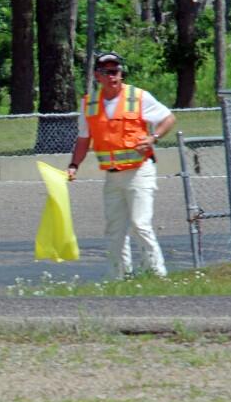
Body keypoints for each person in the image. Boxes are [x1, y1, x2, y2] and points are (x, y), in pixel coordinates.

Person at [67, 52, 176, 280]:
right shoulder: (89, 104)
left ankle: (156, 274)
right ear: (97, 75)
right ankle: (118, 276)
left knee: (140, 224)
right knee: (115, 229)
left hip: (139, 171)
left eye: (115, 71)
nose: (112, 76)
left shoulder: (138, 97)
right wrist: (74, 164)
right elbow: (83, 139)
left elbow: (168, 118)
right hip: (112, 175)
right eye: (106, 72)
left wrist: (153, 137)